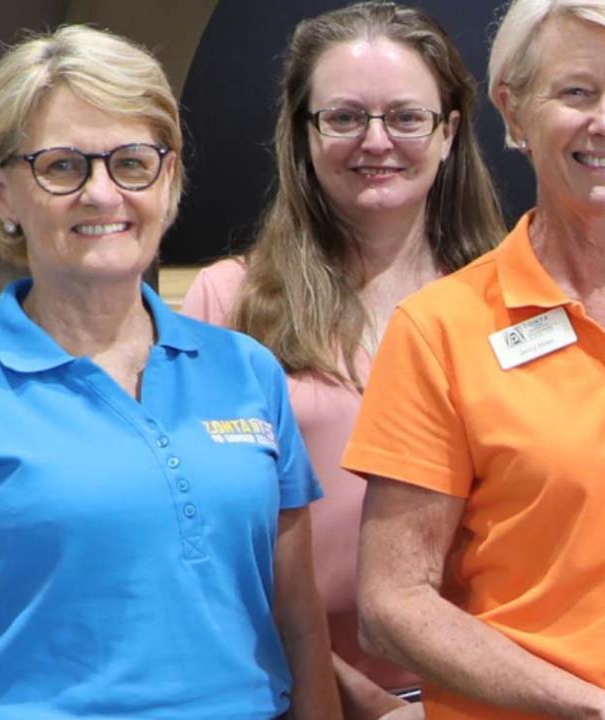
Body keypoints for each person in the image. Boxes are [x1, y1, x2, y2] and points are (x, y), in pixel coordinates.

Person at [0, 24, 341, 720]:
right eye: (63, 166)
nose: (103, 194)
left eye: (132, 162)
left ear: (167, 177)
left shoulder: (246, 371)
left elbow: (298, 628)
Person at [179, 3, 505, 717]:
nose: (377, 141)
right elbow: (197, 546)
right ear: (302, 135)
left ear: (450, 132)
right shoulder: (227, 306)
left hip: (492, 700)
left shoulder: (514, 304)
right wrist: (359, 701)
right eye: (345, 117)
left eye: (406, 117)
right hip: (292, 695)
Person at [345, 0, 605, 717]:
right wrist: (592, 709)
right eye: (576, 91)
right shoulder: (441, 330)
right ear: (513, 112)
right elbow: (392, 601)